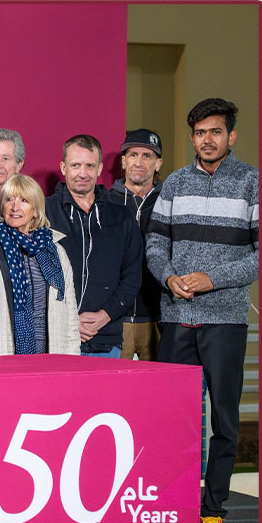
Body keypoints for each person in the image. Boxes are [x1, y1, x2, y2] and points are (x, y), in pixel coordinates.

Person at [147, 98, 258, 523]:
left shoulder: (252, 182)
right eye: (199, 133)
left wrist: (213, 278)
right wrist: (168, 276)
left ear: (231, 136)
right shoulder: (174, 183)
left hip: (225, 320)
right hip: (177, 317)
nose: (206, 140)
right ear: (192, 137)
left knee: (224, 423)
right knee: (172, 421)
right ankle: (173, 509)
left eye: (215, 132)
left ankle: (212, 515)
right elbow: (155, 244)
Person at [44, 134, 142, 358]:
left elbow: (132, 276)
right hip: (57, 338)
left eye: (89, 166)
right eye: (75, 165)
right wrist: (69, 320)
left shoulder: (122, 216)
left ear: (99, 169)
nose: (83, 173)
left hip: (106, 339)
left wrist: (105, 315)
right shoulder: (44, 212)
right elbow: (35, 277)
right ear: (63, 168)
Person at [0, 175, 80, 356]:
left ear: (36, 210)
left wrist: (71, 358)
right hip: (2, 354)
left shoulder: (55, 249)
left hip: (53, 354)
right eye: (9, 199)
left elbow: (69, 312)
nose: (14, 207)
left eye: (24, 201)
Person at [108, 129, 164, 360]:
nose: (139, 162)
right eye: (133, 155)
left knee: (158, 382)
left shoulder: (169, 203)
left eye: (147, 155)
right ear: (123, 161)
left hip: (158, 317)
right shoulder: (105, 201)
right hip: (115, 318)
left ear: (158, 164)